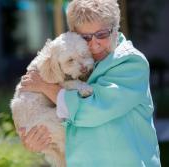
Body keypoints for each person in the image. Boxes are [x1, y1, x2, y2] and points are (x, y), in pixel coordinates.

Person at [19, 0, 161, 166]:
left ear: (115, 29)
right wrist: (37, 139)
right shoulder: (77, 67)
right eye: (85, 37)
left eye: (102, 34)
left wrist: (45, 87)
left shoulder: (131, 63)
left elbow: (93, 110)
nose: (94, 44)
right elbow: (65, 120)